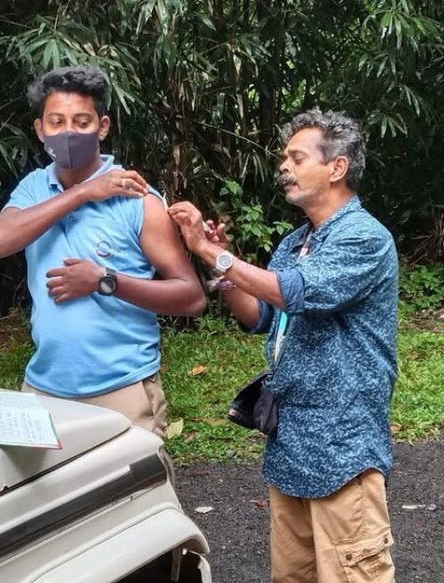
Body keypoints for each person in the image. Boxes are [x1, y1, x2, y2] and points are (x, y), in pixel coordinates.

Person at [168, 109, 397, 582]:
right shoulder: (295, 243)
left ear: (337, 167)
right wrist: (223, 269)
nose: (284, 167)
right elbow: (261, 316)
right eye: (283, 159)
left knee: (353, 573)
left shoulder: (364, 237)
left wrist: (211, 251)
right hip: (290, 444)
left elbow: (295, 292)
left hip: (343, 445)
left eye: (297, 157)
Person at [0, 65, 205, 438]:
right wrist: (84, 192)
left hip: (123, 389)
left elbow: (191, 297)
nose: (68, 132)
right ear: (40, 130)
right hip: (44, 388)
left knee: (133, 479)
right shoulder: (33, 189)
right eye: (56, 122)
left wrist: (104, 281)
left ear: (102, 127)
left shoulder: (137, 199)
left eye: (81, 122)